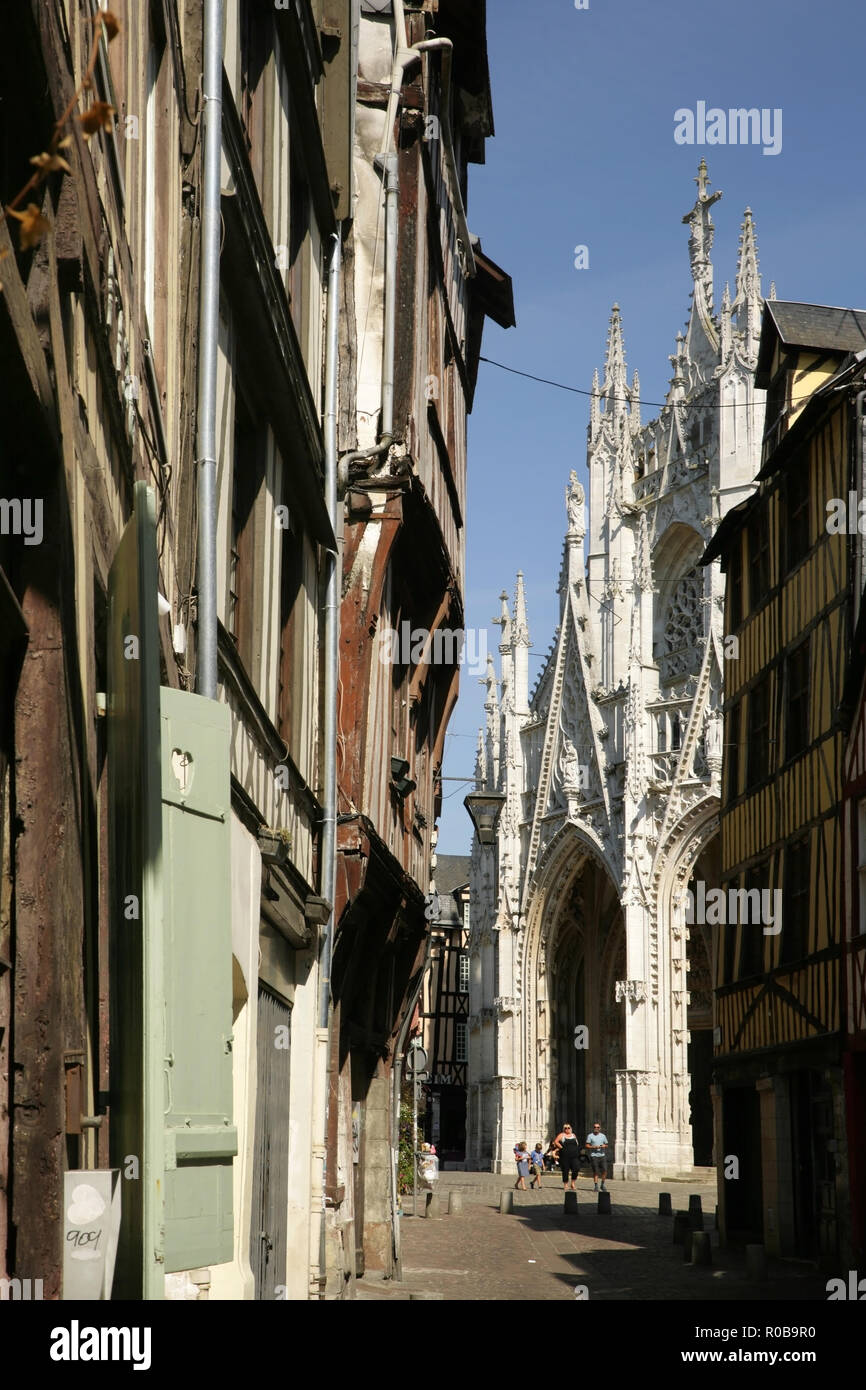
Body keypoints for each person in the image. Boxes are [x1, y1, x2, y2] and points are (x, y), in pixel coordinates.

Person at [553, 1123, 581, 1190]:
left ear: (571, 1128)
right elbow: (555, 1142)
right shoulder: (562, 1135)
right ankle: (565, 1184)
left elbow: (577, 1143)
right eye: (566, 1128)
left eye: (568, 1128)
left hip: (574, 1156)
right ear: (564, 1129)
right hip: (565, 1156)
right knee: (565, 1170)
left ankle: (573, 1183)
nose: (567, 1129)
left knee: (576, 1168)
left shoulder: (573, 1135)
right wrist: (561, 1147)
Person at [585, 1121, 609, 1191]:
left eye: (598, 1127)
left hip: (602, 1155)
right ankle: (596, 1186)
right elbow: (587, 1145)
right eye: (595, 1127)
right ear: (593, 1128)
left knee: (605, 1170)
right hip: (594, 1155)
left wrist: (603, 1146)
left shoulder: (603, 1136)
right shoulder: (590, 1136)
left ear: (600, 1128)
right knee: (596, 1171)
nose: (596, 1128)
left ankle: (602, 1184)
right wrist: (594, 1147)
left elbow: (606, 1144)